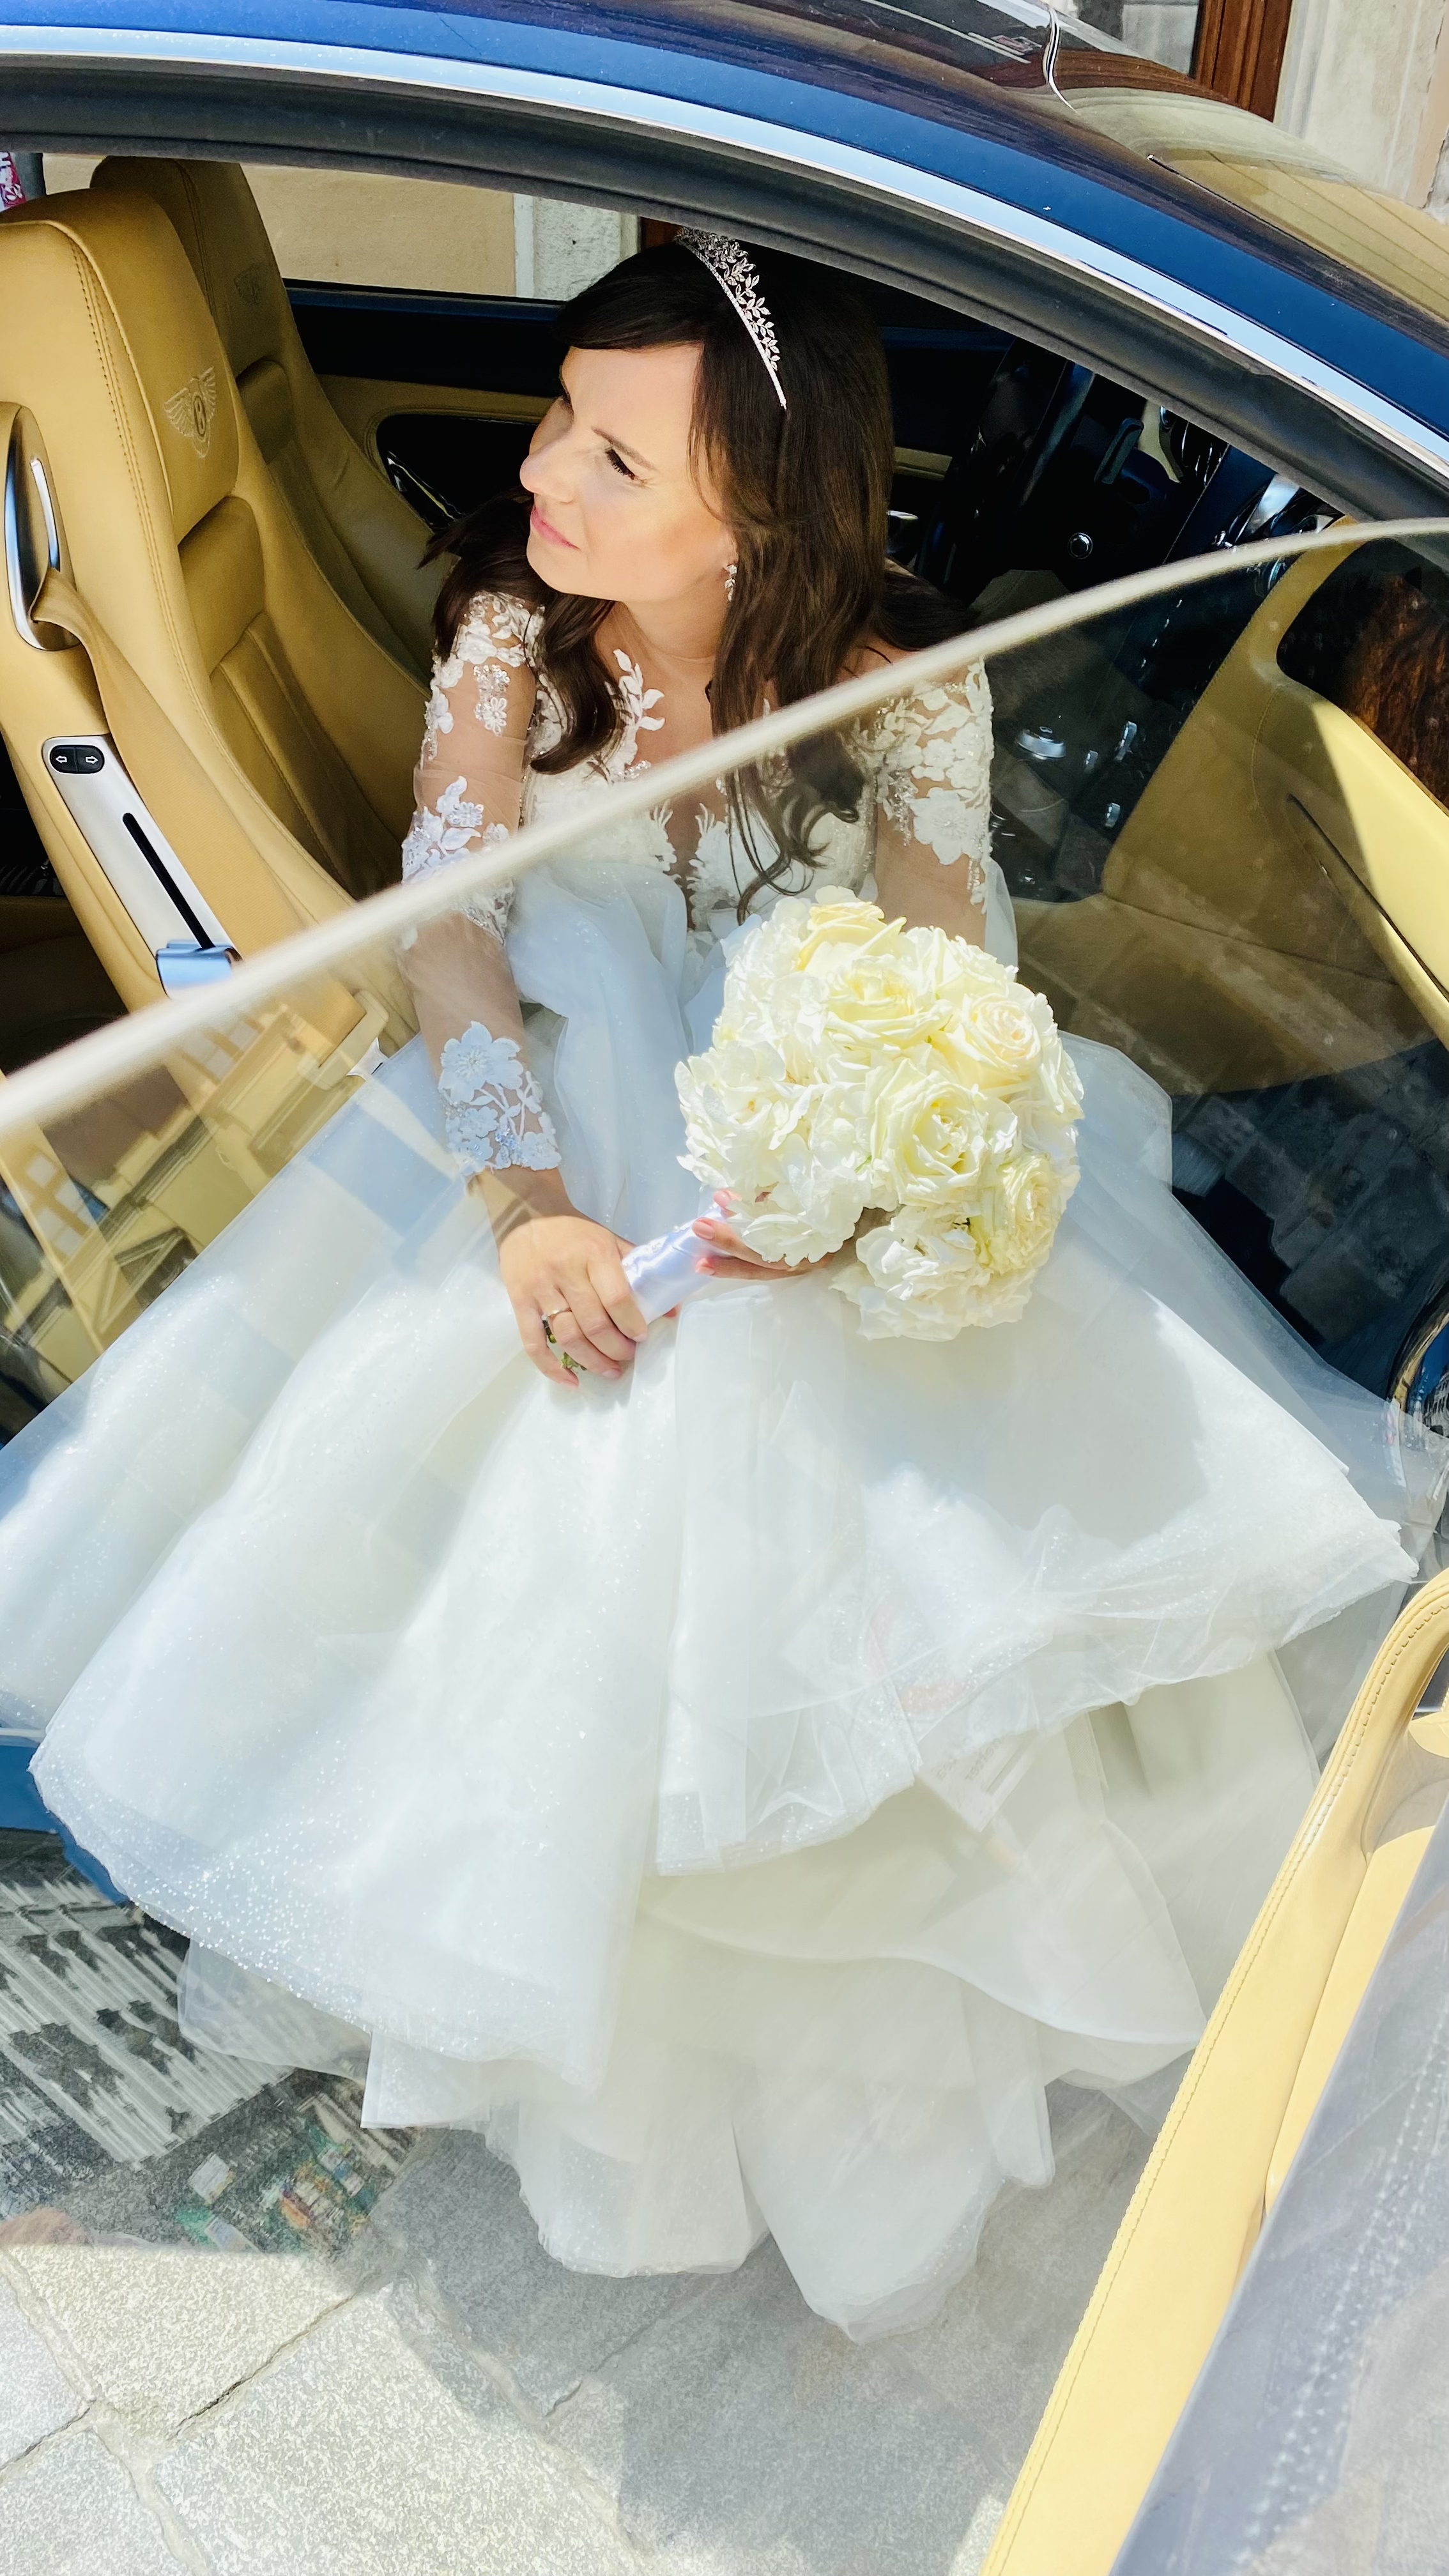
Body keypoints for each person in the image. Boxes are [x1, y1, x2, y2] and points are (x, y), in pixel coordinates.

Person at [2, 239, 1440, 2341]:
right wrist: (524, 1209)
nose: (540, 476)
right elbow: (456, 934)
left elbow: (947, 966)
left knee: (922, 1416)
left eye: (609, 452)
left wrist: (876, 1174)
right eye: (556, 416)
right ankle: (570, 2000)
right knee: (610, 1441)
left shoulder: (905, 683)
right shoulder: (509, 639)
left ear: (759, 511)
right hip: (555, 1094)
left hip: (801, 1096)